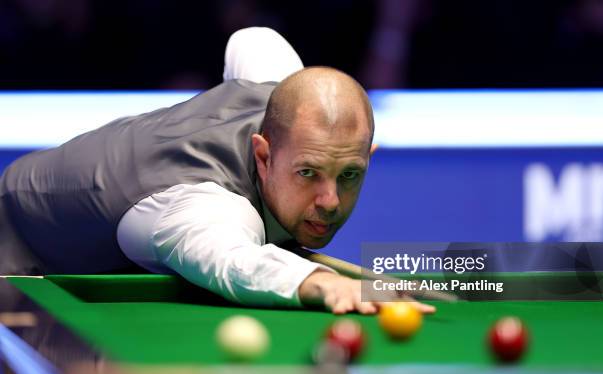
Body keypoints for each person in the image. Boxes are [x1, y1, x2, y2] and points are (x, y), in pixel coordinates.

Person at [0, 27, 435, 315]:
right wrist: (316, 281)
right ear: (263, 156)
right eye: (307, 173)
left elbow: (254, 39)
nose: (330, 202)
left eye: (349, 175)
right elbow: (232, 261)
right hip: (19, 250)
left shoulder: (279, 91)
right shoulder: (204, 208)